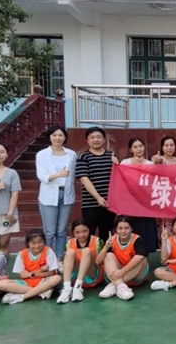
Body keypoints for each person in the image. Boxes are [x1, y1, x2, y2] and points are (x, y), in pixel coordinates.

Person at [36, 125, 77, 270]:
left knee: (61, 230)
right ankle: (47, 259)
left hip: (66, 194)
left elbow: (74, 174)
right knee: (49, 231)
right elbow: (42, 176)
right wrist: (58, 175)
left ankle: (59, 258)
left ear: (65, 137)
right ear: (49, 137)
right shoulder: (42, 154)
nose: (57, 138)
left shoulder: (71, 154)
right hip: (48, 196)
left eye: (60, 135)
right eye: (54, 135)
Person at [0, 230, 62, 305]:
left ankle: (22, 297)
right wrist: (38, 272)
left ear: (44, 242)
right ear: (28, 243)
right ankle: (41, 292)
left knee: (57, 278)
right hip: (26, 283)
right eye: (33, 243)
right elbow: (20, 275)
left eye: (40, 242)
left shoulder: (48, 251)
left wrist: (31, 274)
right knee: (0, 284)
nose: (37, 246)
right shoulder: (22, 254)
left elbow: (52, 272)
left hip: (43, 282)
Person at [75, 126, 118, 238]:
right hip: (90, 204)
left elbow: (118, 176)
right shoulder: (83, 156)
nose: (96, 140)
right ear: (87, 141)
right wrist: (98, 198)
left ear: (104, 139)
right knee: (89, 235)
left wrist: (117, 164)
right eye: (92, 137)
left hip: (109, 204)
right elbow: (84, 179)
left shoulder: (111, 155)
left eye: (99, 137)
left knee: (107, 234)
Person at [119, 137, 159, 253]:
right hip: (129, 203)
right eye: (135, 147)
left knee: (146, 229)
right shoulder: (125, 163)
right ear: (130, 149)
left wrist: (158, 165)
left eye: (141, 146)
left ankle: (146, 255)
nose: (138, 149)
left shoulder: (150, 164)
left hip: (145, 203)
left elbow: (155, 182)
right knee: (131, 227)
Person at [96, 216, 149, 301]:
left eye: (126, 228)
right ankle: (121, 286)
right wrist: (106, 247)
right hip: (117, 273)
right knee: (108, 255)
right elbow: (98, 262)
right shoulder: (112, 240)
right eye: (120, 228)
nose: (123, 231)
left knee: (141, 258)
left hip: (134, 275)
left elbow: (141, 256)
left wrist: (123, 271)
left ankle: (114, 285)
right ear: (116, 229)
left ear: (131, 229)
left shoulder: (137, 239)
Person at [56, 219, 104, 304]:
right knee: (69, 252)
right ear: (73, 233)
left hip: (91, 276)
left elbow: (100, 262)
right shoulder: (69, 243)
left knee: (86, 251)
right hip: (74, 278)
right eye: (77, 232)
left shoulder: (97, 241)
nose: (81, 235)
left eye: (84, 231)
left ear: (89, 230)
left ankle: (78, 287)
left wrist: (106, 247)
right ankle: (67, 288)